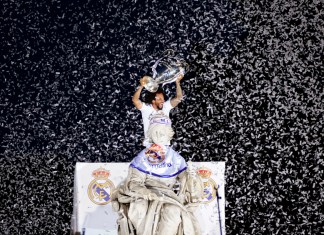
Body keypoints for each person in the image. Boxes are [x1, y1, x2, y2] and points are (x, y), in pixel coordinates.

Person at [112, 116, 203, 235]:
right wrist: (146, 193)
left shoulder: (175, 158)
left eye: (163, 133)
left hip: (168, 196)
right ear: (151, 134)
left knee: (173, 211)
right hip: (145, 195)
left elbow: (188, 184)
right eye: (156, 133)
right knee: (139, 208)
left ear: (169, 135)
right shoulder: (143, 157)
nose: (160, 136)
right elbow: (134, 183)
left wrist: (192, 177)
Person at [132, 74, 184, 146]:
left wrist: (177, 82)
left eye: (163, 99)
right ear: (153, 101)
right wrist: (141, 86)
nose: (162, 101)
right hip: (151, 146)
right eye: (159, 99)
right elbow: (135, 100)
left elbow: (179, 98)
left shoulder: (166, 106)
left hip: (165, 146)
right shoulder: (146, 108)